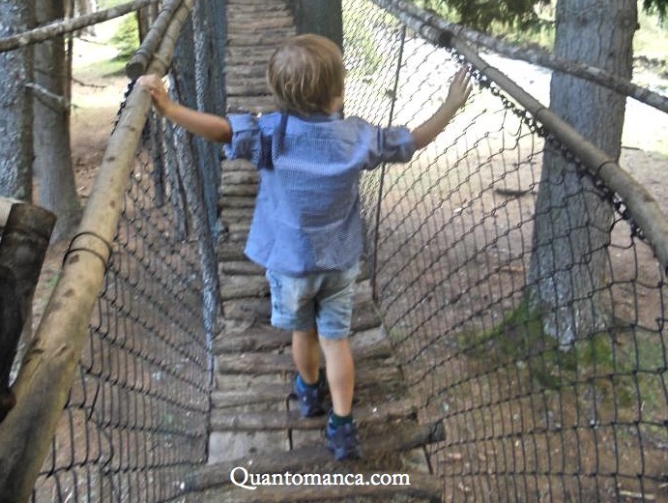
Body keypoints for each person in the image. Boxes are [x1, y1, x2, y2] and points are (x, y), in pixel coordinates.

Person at [138, 33, 471, 461]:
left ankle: (310, 392)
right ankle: (343, 424)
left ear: (279, 95)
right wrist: (450, 105)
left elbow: (223, 132)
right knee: (337, 341)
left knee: (304, 332)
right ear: (337, 96)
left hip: (292, 264)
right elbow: (412, 140)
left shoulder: (271, 133)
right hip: (339, 261)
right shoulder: (357, 138)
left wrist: (169, 108)